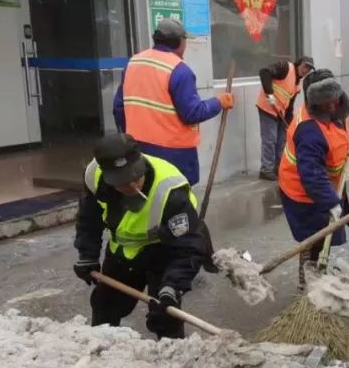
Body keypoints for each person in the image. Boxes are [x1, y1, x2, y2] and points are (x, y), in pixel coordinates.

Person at [73, 134, 208, 340]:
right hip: (122, 251)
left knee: (164, 314)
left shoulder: (170, 190)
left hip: (163, 249)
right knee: (104, 304)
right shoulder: (94, 176)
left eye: (136, 177)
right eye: (124, 183)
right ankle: (103, 355)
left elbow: (188, 246)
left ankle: (173, 358)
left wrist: (172, 286)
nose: (133, 186)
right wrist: (87, 255)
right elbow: (89, 219)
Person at [113, 17, 233, 187]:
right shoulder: (179, 70)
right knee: (175, 198)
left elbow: (118, 108)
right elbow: (192, 113)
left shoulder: (133, 63)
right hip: (173, 154)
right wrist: (219, 102)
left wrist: (127, 137)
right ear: (179, 42)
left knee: (147, 194)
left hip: (138, 149)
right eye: (185, 40)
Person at [278, 72, 349, 287]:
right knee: (313, 240)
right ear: (314, 102)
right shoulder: (308, 130)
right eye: (326, 104)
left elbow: (346, 130)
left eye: (334, 100)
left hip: (326, 188)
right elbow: (312, 174)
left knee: (325, 238)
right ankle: (308, 284)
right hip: (302, 193)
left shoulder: (338, 107)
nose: (332, 106)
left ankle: (317, 275)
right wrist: (330, 202)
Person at [257, 55, 315, 180]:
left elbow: (289, 107)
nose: (306, 70)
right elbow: (264, 72)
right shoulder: (285, 67)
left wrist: (290, 125)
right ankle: (266, 170)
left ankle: (279, 168)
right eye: (305, 66)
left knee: (282, 140)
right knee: (270, 140)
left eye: (309, 69)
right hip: (267, 108)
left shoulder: (296, 83)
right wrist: (269, 94)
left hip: (280, 112)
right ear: (299, 63)